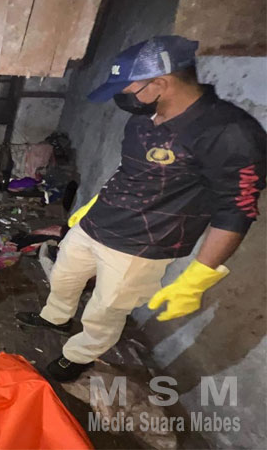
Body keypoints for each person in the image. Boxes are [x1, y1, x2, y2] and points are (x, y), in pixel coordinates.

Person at [16, 36, 266, 382]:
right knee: (63, 276)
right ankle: (55, 318)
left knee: (106, 310)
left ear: (160, 84)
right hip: (95, 226)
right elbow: (129, 172)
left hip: (140, 247)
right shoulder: (143, 120)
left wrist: (199, 276)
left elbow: (236, 210)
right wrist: (92, 206)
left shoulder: (229, 132)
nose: (123, 97)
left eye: (127, 89)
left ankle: (79, 355)